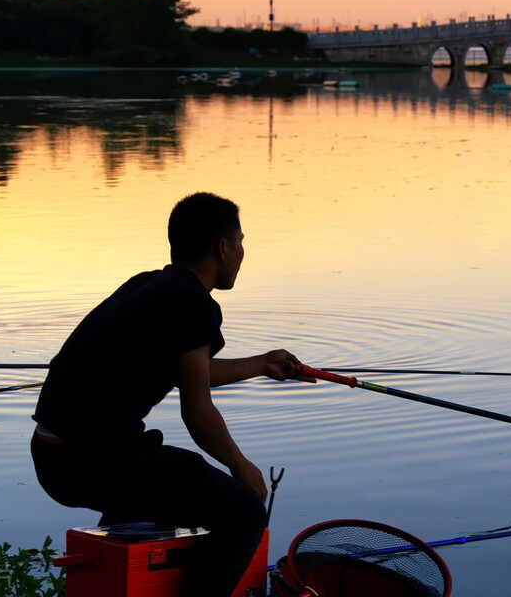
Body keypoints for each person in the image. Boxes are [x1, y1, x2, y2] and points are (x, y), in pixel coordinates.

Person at [31, 191, 311, 597]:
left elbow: (190, 372)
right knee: (243, 513)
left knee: (146, 500)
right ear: (222, 246)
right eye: (241, 241)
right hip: (97, 460)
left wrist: (261, 364)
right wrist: (240, 464)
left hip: (53, 457)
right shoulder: (193, 304)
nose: (242, 252)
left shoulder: (149, 286)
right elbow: (197, 414)